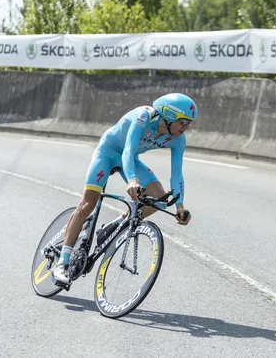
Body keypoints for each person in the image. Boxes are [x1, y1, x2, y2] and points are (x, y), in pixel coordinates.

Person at [52, 93, 198, 285]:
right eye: (184, 122)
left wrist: (180, 206)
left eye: (190, 123)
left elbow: (177, 174)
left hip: (130, 160)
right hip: (108, 153)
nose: (186, 127)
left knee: (161, 200)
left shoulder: (178, 139)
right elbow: (128, 149)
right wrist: (132, 180)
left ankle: (117, 223)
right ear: (169, 115)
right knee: (88, 203)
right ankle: (62, 263)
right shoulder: (143, 116)